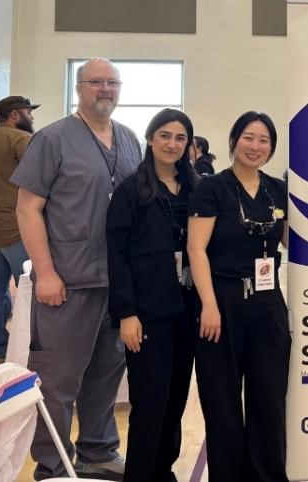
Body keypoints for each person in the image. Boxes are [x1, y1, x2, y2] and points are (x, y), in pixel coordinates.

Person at [11, 57, 142, 480]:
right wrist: (46, 272)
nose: (105, 89)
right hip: (67, 281)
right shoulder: (52, 139)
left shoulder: (129, 139)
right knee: (58, 377)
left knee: (106, 374)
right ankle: (53, 464)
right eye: (96, 82)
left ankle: (97, 451)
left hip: (115, 282)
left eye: (112, 83)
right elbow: (28, 208)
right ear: (79, 88)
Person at [187, 111, 289, 482]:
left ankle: (267, 475)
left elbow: (290, 242)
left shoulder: (277, 190)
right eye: (248, 137)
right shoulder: (212, 189)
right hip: (222, 302)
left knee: (269, 400)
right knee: (222, 403)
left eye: (264, 140)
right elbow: (196, 249)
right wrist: (209, 306)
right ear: (233, 141)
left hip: (267, 303)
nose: (255, 146)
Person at [106, 108, 199, 482]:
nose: (172, 144)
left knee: (176, 398)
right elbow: (117, 256)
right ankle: (141, 475)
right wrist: (126, 313)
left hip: (187, 309)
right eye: (165, 135)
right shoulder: (131, 192)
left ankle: (163, 471)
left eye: (180, 138)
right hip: (147, 313)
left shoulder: (196, 189)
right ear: (150, 138)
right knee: (149, 401)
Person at [0, 96, 37, 365]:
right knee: (30, 293)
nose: (31, 117)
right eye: (28, 112)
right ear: (14, 115)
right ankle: (29, 351)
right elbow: (42, 179)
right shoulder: (21, 140)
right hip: (17, 229)